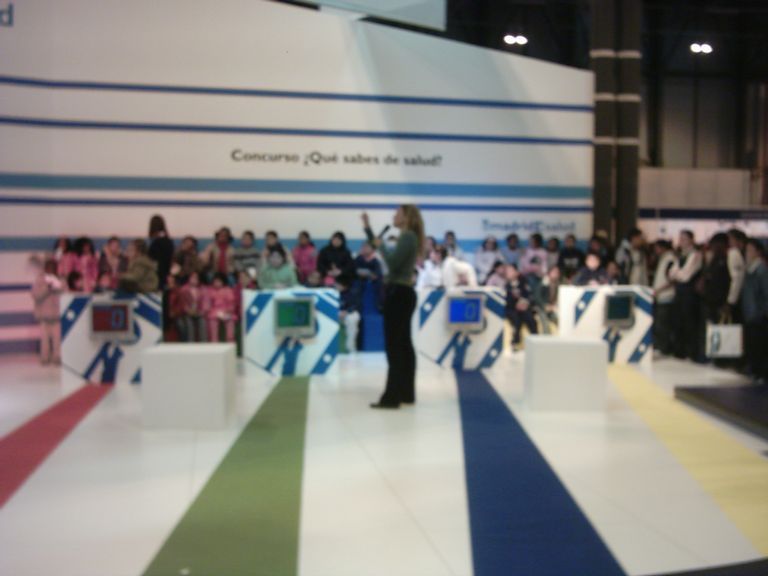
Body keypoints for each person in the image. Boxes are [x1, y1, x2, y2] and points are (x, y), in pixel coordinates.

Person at [362, 205, 423, 409]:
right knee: (404, 345)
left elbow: (393, 263)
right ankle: (406, 393)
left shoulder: (407, 237)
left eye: (397, 213)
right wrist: (368, 228)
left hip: (398, 294)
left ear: (406, 217)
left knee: (395, 347)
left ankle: (392, 396)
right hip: (403, 294)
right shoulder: (410, 237)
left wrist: (381, 246)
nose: (394, 216)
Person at [669, 230, 703, 361]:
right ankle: (680, 351)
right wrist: (678, 274)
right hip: (679, 292)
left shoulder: (696, 255)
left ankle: (692, 352)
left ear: (691, 240)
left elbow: (686, 276)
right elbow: (671, 273)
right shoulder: (680, 256)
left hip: (690, 293)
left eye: (684, 238)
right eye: (680, 238)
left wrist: (677, 274)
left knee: (690, 322)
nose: (681, 241)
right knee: (679, 321)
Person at [741, 239, 768, 383]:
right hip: (750, 313)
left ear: (758, 252)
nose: (747, 253)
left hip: (758, 315)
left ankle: (761, 373)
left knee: (760, 345)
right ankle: (755, 370)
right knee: (753, 344)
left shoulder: (761, 270)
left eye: (750, 250)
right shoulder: (750, 269)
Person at [31, 259, 63, 365]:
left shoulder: (60, 279)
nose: (51, 269)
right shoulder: (40, 280)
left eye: (53, 267)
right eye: (49, 267)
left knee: (57, 338)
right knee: (44, 339)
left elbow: (66, 293)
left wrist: (58, 287)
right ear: (45, 268)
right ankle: (45, 358)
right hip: (44, 315)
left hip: (57, 314)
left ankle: (57, 357)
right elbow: (35, 295)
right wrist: (47, 288)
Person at [652, 240, 677, 356]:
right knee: (660, 322)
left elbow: (672, 279)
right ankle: (661, 346)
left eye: (657, 248)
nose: (655, 251)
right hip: (661, 295)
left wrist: (659, 290)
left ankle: (664, 347)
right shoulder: (663, 259)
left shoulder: (670, 259)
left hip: (666, 296)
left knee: (663, 323)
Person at [504, 264, 537, 351]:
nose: (508, 273)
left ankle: (535, 340)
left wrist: (524, 303)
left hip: (523, 308)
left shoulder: (523, 282)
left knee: (530, 318)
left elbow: (529, 295)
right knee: (516, 319)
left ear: (516, 272)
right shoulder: (506, 285)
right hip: (511, 309)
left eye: (510, 271)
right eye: (507, 271)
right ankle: (516, 342)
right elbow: (505, 300)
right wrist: (515, 304)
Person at [206, 272, 237, 342]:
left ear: (223, 282)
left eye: (219, 281)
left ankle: (230, 342)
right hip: (214, 312)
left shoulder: (228, 290)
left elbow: (231, 303)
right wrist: (210, 310)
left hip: (226, 311)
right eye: (215, 281)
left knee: (230, 321)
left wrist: (228, 310)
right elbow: (208, 304)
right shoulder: (210, 290)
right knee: (212, 322)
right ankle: (214, 343)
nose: (217, 283)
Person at [178, 272, 207, 342]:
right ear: (189, 278)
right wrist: (188, 311)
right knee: (189, 324)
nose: (194, 279)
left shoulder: (202, 289)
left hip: (199, 312)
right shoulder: (183, 289)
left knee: (202, 322)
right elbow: (182, 303)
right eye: (192, 277)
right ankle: (191, 343)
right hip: (187, 313)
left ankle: (204, 343)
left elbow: (205, 302)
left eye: (196, 278)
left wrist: (201, 311)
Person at [148, 215, 174, 289]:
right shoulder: (169, 240)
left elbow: (152, 259)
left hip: (158, 274)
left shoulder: (156, 243)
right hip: (167, 273)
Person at [337, 275, 361, 353]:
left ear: (345, 286)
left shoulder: (352, 293)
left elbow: (355, 305)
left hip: (348, 314)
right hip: (335, 313)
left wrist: (346, 311)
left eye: (339, 284)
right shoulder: (331, 292)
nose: (336, 286)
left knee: (353, 317)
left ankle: (350, 347)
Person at [726, 228, 747, 320]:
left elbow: (737, 279)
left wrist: (731, 301)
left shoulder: (734, 253)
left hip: (736, 298)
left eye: (730, 239)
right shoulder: (739, 253)